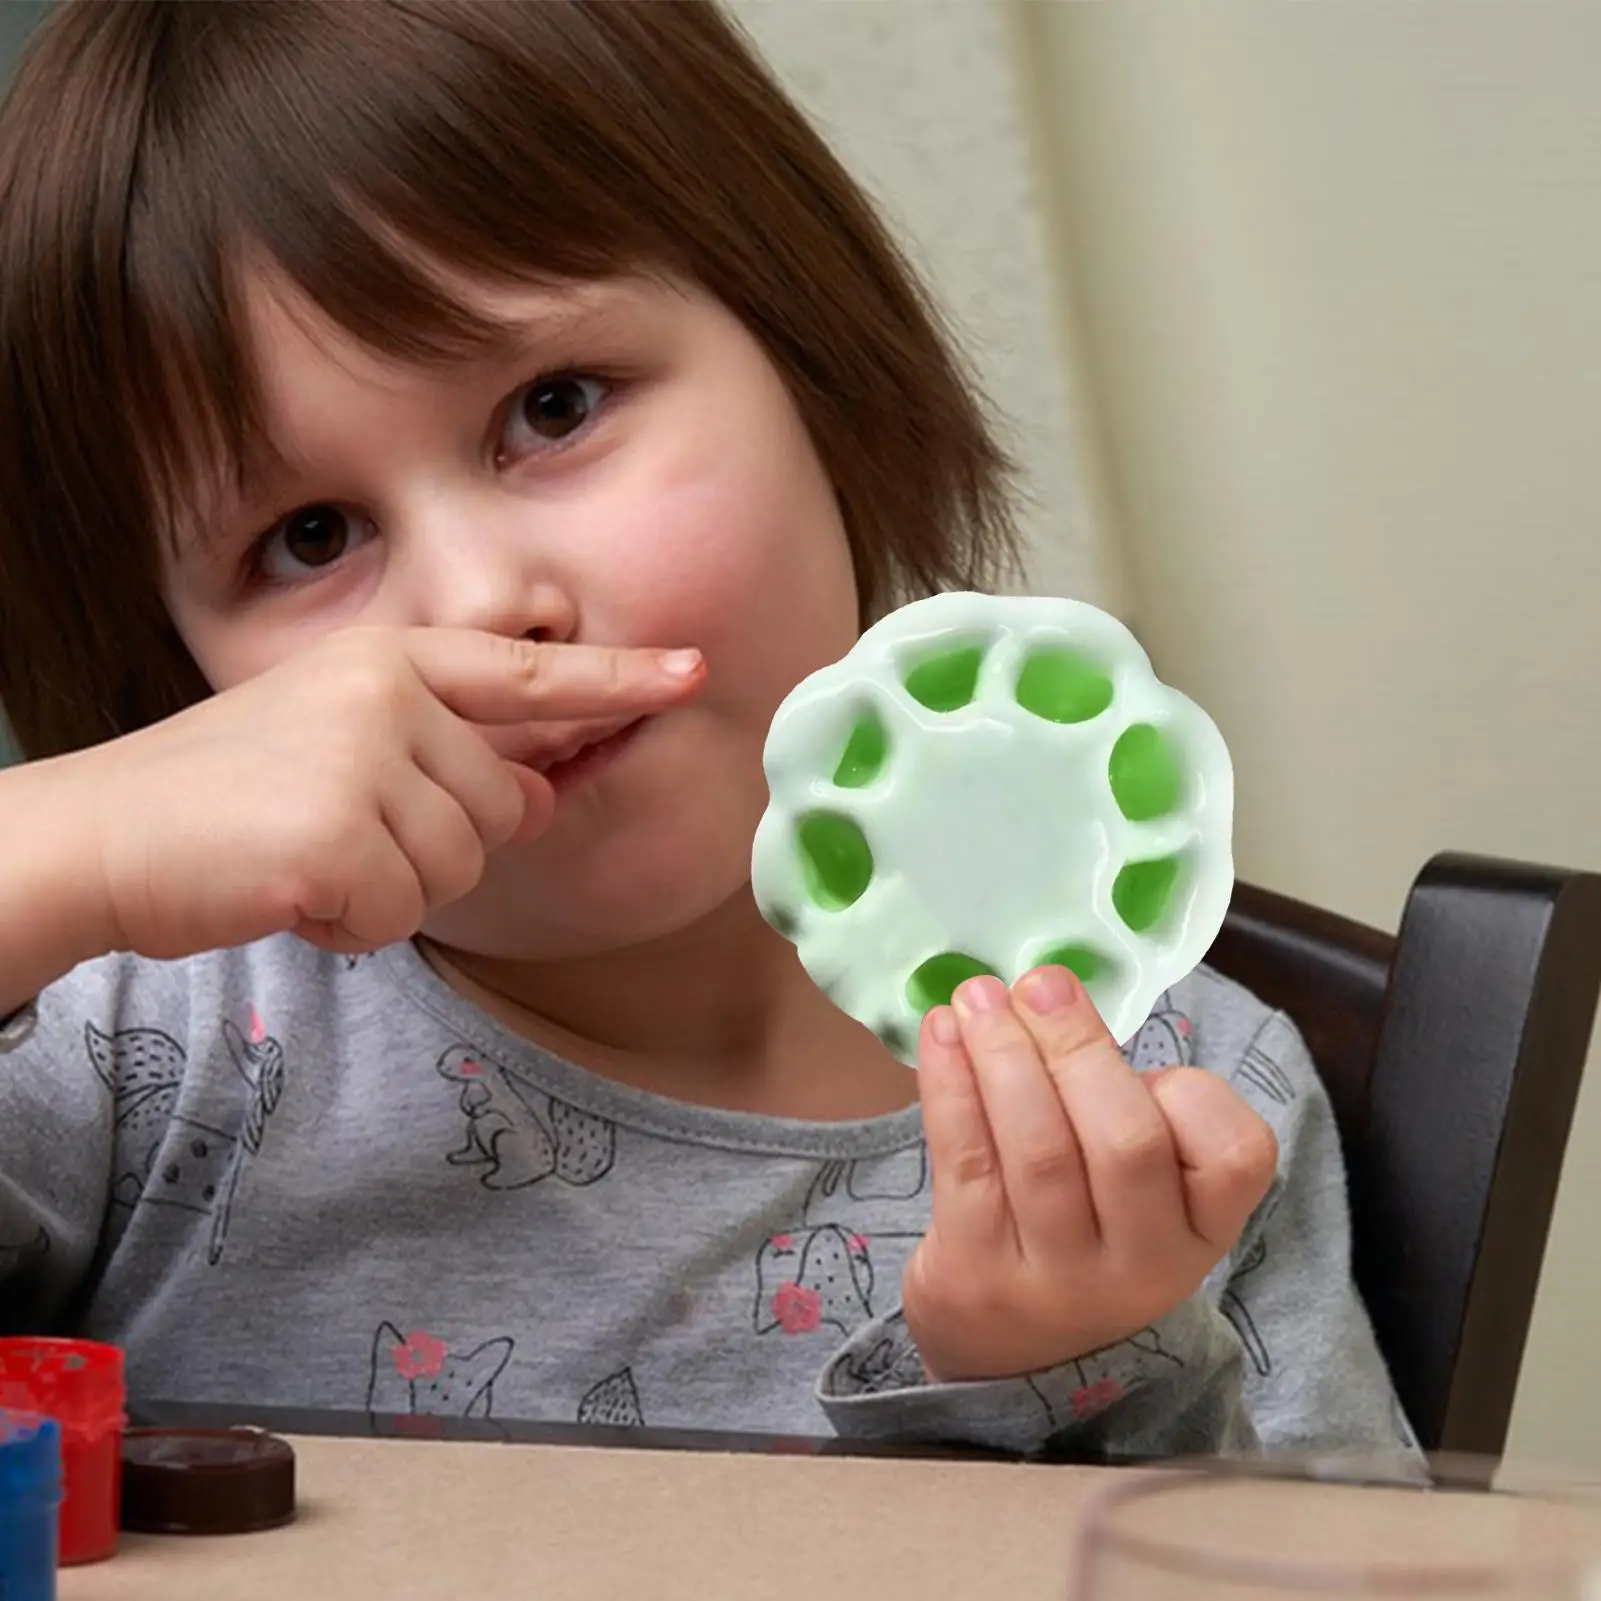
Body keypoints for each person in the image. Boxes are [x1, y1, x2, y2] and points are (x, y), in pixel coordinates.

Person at [0, 0, 1414, 1459]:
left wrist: (1077, 1373)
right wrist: (35, 849)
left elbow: (1338, 1562)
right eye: (309, 538)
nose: (484, 601)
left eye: (554, 408)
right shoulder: (126, 1041)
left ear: (810, 354)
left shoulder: (1183, 1106)